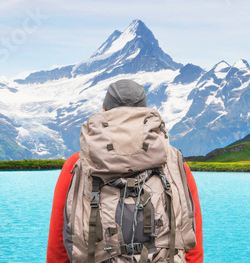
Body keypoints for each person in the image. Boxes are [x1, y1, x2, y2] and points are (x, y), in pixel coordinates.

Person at [47, 79, 203, 262]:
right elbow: (191, 240)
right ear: (145, 114)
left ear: (104, 112)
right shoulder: (174, 163)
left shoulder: (78, 163)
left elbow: (60, 243)